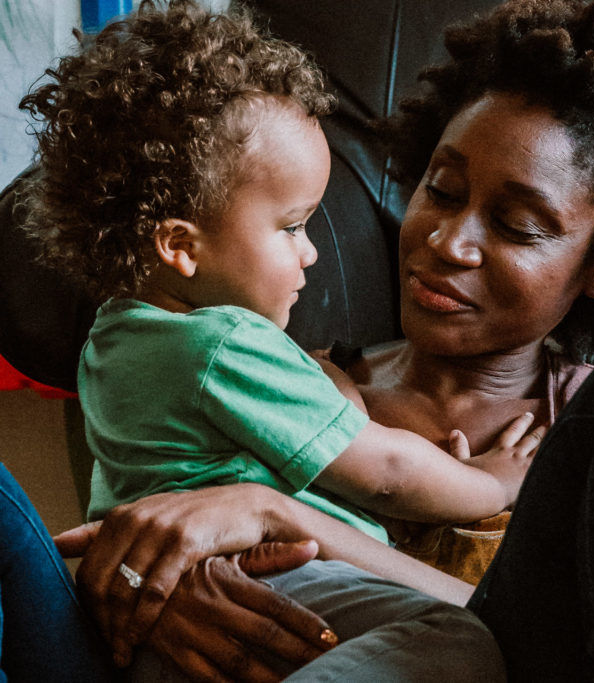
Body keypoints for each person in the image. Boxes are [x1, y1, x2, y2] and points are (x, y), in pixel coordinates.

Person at [8, 0, 594, 680]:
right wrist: (130, 587)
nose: (448, 243)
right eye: (441, 188)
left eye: (519, 225)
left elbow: (519, 640)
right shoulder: (293, 378)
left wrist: (276, 513)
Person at [13, 0, 534, 679]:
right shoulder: (224, 341)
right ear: (180, 246)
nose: (312, 253)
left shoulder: (112, 343)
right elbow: (390, 471)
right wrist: (492, 479)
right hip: (268, 590)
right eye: (291, 227)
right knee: (453, 641)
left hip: (159, 621)